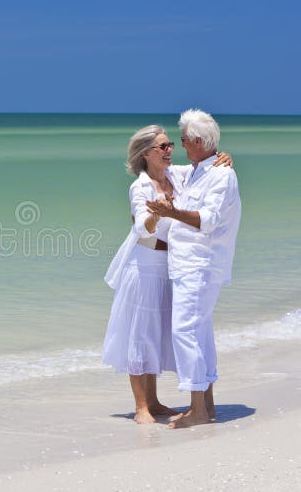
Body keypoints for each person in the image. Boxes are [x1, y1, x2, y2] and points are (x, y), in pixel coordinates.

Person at [102, 125, 232, 424]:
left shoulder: (179, 175)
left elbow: (204, 166)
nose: (169, 150)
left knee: (160, 332)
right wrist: (157, 215)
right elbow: (140, 227)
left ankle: (157, 401)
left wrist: (223, 156)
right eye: (162, 147)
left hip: (174, 263)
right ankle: (141, 407)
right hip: (145, 264)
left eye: (171, 144)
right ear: (145, 154)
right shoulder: (140, 187)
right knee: (140, 333)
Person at [146, 109, 241, 429]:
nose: (180, 146)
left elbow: (207, 220)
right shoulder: (199, 169)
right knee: (199, 331)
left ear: (199, 141)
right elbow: (167, 169)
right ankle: (207, 406)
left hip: (201, 264)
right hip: (188, 263)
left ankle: (197, 409)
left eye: (184, 140)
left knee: (184, 331)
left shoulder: (221, 175)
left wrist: (171, 213)